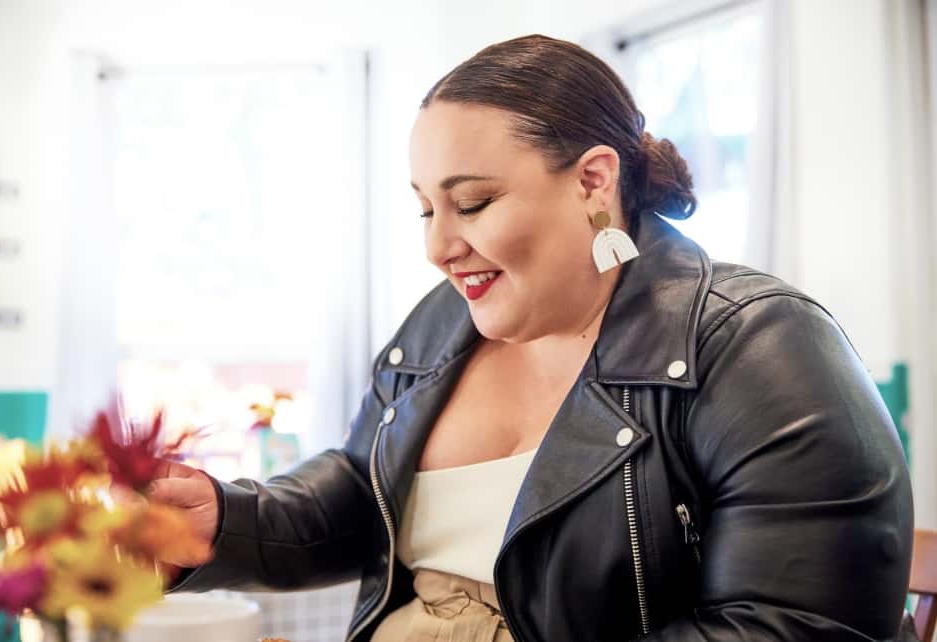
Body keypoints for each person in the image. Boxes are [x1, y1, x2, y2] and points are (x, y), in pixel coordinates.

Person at [146, 34, 914, 641]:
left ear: (592, 182)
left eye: (472, 204)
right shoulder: (442, 325)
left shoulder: (756, 348)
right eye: (425, 209)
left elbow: (794, 626)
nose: (438, 247)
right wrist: (227, 521)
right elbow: (363, 489)